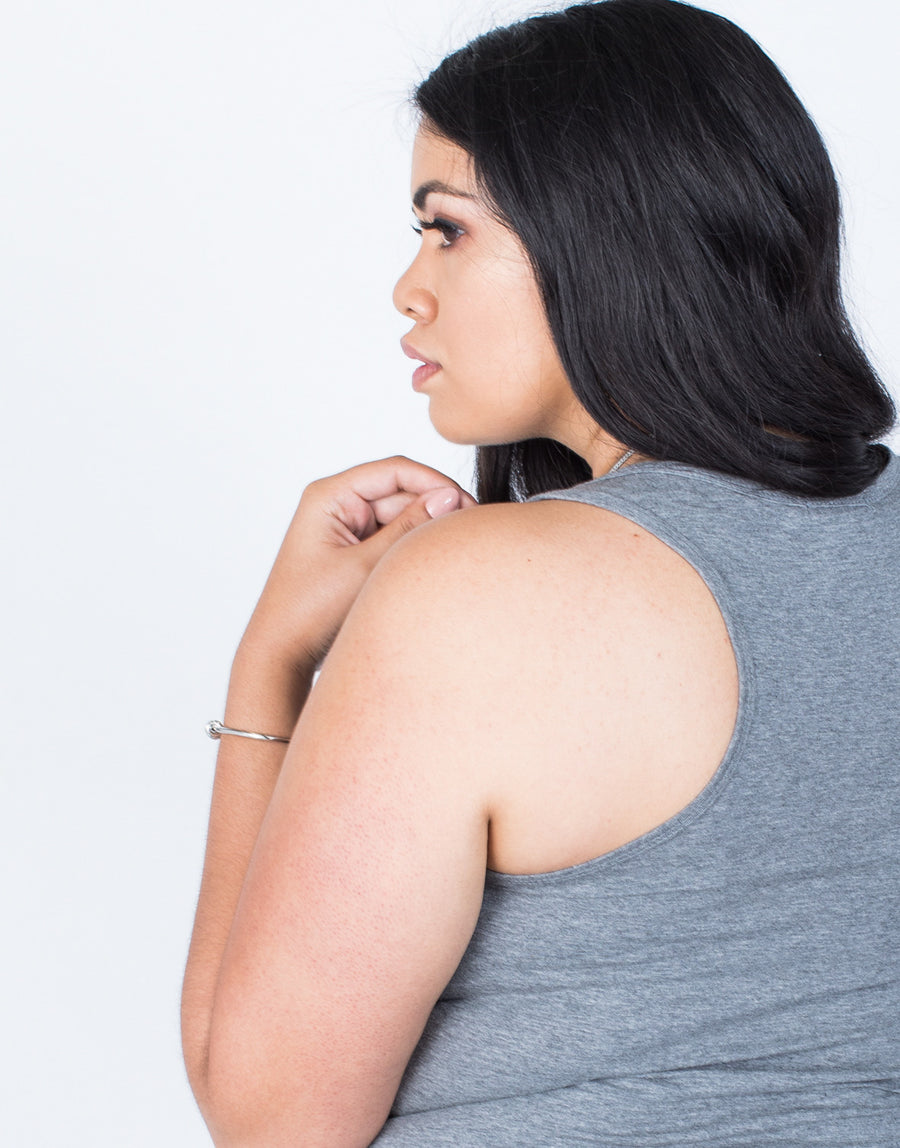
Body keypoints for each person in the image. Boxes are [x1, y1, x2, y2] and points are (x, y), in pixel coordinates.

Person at [180, 0, 899, 1143]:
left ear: (604, 230)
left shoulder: (480, 595)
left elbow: (272, 1120)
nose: (409, 288)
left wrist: (269, 663)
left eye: (447, 229)